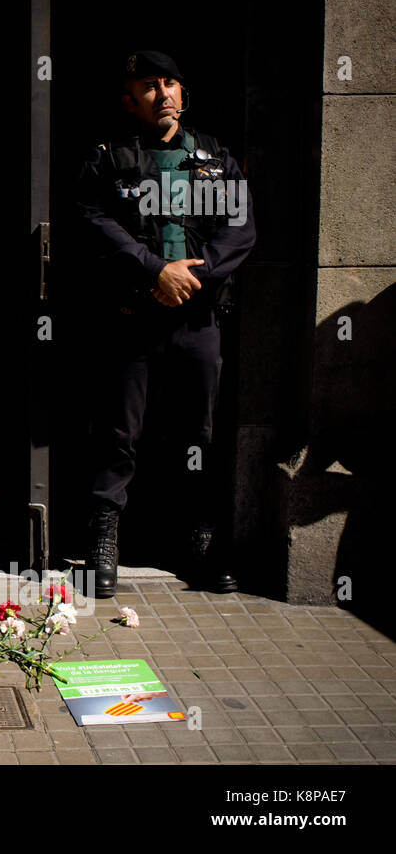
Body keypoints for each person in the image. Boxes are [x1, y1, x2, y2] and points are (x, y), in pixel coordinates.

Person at [74, 50, 255, 598]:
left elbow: (240, 227)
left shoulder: (216, 158)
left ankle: (197, 543)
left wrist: (191, 278)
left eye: (171, 82)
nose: (164, 93)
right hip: (132, 319)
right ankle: (102, 546)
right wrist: (156, 271)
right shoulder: (109, 159)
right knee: (118, 436)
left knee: (196, 435)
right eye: (150, 86)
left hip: (197, 321)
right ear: (130, 99)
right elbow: (93, 220)